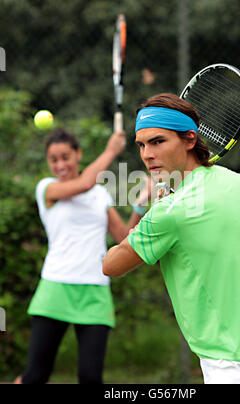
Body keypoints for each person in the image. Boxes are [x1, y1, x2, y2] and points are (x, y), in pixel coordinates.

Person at [102, 93, 240, 384]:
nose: (147, 154)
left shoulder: (170, 211)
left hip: (231, 367)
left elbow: (111, 265)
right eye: (141, 145)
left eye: (158, 141)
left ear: (190, 140)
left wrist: (151, 212)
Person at [16, 127, 151, 385]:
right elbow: (85, 182)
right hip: (55, 289)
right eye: (53, 160)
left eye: (65, 156)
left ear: (78, 154)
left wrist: (140, 203)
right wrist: (111, 150)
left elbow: (124, 238)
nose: (60, 165)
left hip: (94, 293)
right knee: (35, 376)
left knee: (91, 378)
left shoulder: (99, 195)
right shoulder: (47, 189)